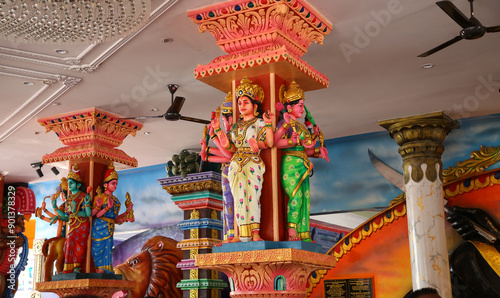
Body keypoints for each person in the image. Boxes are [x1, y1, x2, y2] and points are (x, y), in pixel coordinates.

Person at [212, 76, 274, 242]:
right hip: (236, 165)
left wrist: (267, 128)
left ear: (255, 105)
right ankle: (240, 235)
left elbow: (268, 143)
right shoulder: (236, 126)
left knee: (252, 198)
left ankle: (255, 234)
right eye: (240, 103)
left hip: (252, 163)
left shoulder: (260, 123)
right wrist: (218, 131)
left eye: (245, 102)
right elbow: (230, 146)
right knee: (238, 199)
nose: (242, 106)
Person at [274, 81, 329, 242]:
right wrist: (292, 141)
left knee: (305, 200)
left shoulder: (300, 127)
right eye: (299, 105)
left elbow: (306, 148)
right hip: (290, 164)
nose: (302, 109)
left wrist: (318, 151)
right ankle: (291, 231)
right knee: (295, 196)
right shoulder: (285, 124)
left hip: (302, 163)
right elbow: (275, 143)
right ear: (289, 107)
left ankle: (302, 233)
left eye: (303, 105)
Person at [200, 93, 235, 243]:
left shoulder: (236, 134)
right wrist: (206, 150)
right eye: (222, 120)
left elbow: (228, 155)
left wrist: (208, 153)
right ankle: (229, 234)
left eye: (224, 119)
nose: (224, 122)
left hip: (235, 170)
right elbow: (224, 153)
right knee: (226, 203)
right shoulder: (227, 134)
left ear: (232, 118)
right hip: (226, 171)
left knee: (233, 204)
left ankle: (233, 234)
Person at [91, 165, 134, 273]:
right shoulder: (101, 197)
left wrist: (126, 215)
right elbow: (97, 215)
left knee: (108, 249)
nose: (115, 186)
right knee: (99, 249)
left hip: (109, 227)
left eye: (116, 184)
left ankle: (106, 269)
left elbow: (114, 219)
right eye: (113, 183)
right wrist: (106, 208)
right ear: (106, 185)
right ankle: (99, 269)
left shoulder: (115, 200)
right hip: (99, 227)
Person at [54, 165, 92, 274]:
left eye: (71, 183)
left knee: (79, 246)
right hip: (72, 225)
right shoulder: (69, 199)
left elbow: (88, 214)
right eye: (69, 183)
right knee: (68, 244)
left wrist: (87, 204)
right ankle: (67, 268)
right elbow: (67, 217)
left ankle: (77, 267)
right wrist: (56, 209)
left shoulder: (84, 196)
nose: (69, 185)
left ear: (78, 185)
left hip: (82, 225)